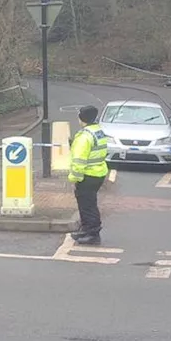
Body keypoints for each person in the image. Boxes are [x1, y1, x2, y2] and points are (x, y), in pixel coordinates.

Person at [68, 105, 109, 245]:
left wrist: (74, 178)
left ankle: (92, 234)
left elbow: (79, 161)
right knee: (89, 203)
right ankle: (85, 230)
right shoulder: (98, 132)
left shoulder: (84, 136)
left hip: (88, 175)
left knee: (87, 205)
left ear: (82, 118)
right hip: (99, 173)